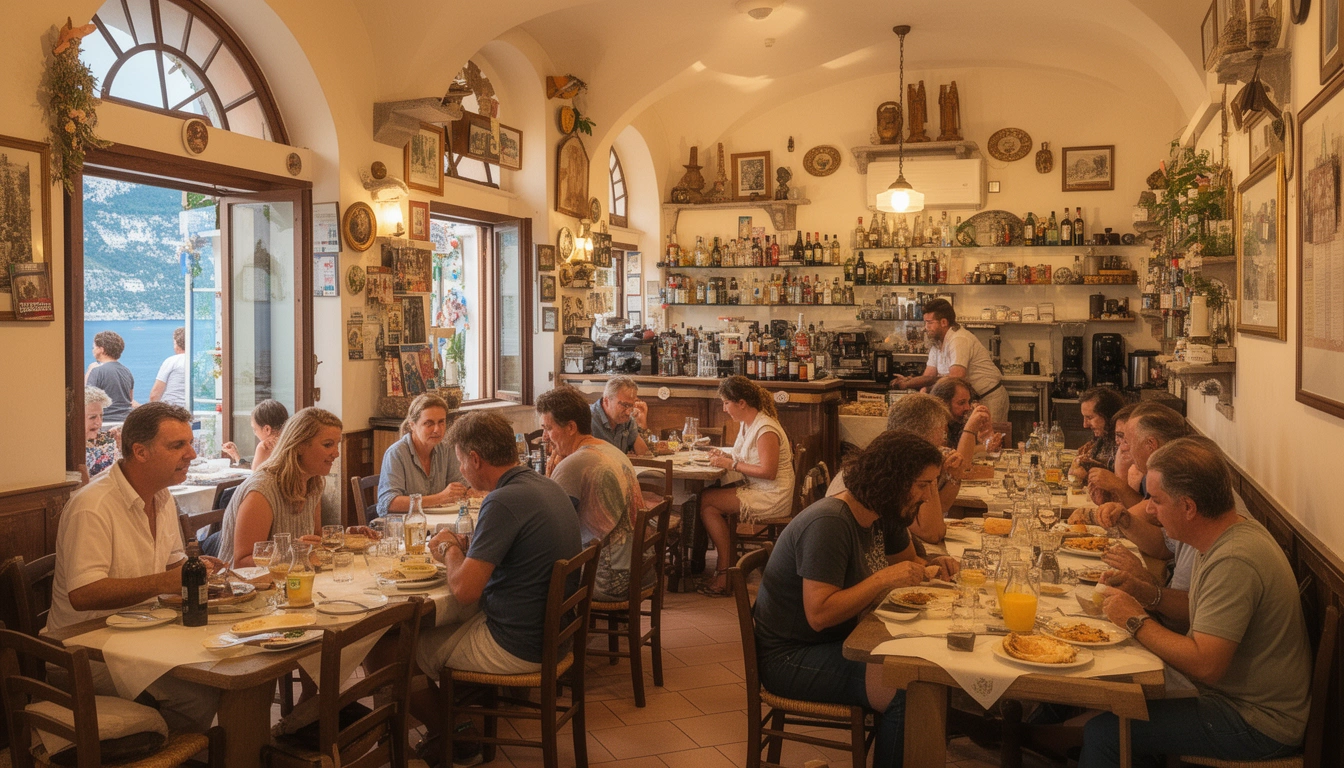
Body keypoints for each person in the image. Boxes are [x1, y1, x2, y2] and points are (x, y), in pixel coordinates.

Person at [1082, 436, 1311, 768]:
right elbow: (1199, 610)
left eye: (1156, 500)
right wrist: (1146, 594)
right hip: (1230, 699)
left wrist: (1135, 620)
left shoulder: (1236, 559)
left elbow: (1207, 665)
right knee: (1120, 696)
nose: (1148, 509)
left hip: (1256, 721)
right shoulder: (1222, 535)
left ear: (1188, 507)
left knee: (1105, 733)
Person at [754, 430, 958, 768]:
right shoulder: (830, 523)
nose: (926, 496)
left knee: (925, 670)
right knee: (906, 689)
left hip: (844, 640)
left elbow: (912, 565)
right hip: (790, 657)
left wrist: (937, 565)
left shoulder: (885, 513)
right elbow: (819, 614)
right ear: (894, 480)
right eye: (923, 485)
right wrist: (883, 579)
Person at [410, 411, 582, 756]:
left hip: (518, 645)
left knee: (397, 653)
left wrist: (447, 547)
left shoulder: (502, 500)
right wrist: (467, 550)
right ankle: (453, 722)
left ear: (475, 459)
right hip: (555, 636)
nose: (461, 470)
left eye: (461, 461)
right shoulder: (544, 484)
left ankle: (451, 736)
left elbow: (464, 591)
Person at [46, 402, 221, 731]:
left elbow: (174, 562)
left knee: (222, 663)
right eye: (177, 446)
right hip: (85, 650)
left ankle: (171, 744)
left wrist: (198, 567)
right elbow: (82, 595)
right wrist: (164, 582)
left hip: (141, 635)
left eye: (190, 443)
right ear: (140, 451)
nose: (192, 454)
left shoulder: (161, 496)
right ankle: (162, 750)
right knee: (200, 693)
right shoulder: (93, 506)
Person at [536, 385, 649, 601]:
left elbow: (548, 527)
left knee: (529, 582)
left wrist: (550, 480)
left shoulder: (574, 464)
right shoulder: (609, 449)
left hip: (610, 579)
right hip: (639, 569)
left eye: (548, 428)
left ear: (571, 427)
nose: (544, 437)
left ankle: (560, 633)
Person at [698, 376, 795, 596]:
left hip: (772, 495)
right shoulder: (748, 423)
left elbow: (768, 472)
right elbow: (745, 456)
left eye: (726, 403)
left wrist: (731, 463)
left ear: (742, 403)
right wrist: (724, 454)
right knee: (706, 497)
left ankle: (725, 572)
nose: (724, 409)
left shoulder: (766, 429)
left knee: (707, 502)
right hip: (759, 489)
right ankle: (728, 566)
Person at [827, 393, 962, 544]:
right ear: (921, 437)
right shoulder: (890, 475)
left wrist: (952, 476)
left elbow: (940, 510)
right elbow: (932, 533)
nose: (944, 440)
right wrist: (929, 474)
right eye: (942, 432)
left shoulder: (888, 462)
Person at [218, 407, 343, 567]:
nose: (336, 453)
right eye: (328, 445)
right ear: (299, 446)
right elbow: (242, 562)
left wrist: (343, 538)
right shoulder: (262, 490)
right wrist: (294, 553)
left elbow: (314, 540)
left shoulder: (314, 483)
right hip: (244, 586)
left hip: (291, 579)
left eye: (337, 445)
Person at [890, 298, 1007, 422]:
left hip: (988, 398)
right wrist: (912, 385)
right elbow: (929, 376)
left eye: (929, 323)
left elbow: (955, 379)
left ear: (944, 322)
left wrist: (919, 386)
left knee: (989, 439)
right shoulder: (936, 343)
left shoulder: (959, 339)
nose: (925, 328)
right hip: (970, 400)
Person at [376, 393, 467, 517]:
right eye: (428, 423)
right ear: (412, 425)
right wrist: (440, 498)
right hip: (405, 526)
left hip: (438, 523)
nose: (437, 429)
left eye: (441, 422)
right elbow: (389, 503)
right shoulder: (396, 453)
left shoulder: (446, 448)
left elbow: (461, 486)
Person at [929, 375, 1001, 465]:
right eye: (961, 403)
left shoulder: (957, 421)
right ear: (943, 403)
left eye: (968, 402)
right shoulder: (933, 427)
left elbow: (966, 451)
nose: (967, 407)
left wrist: (987, 439)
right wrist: (970, 429)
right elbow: (956, 464)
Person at [1067, 387, 1127, 484]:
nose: (1085, 425)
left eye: (1090, 417)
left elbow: (1119, 486)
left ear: (1108, 415)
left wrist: (1086, 476)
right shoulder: (1103, 438)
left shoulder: (1124, 445)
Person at [588, 375, 650, 455]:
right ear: (606, 401)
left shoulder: (627, 420)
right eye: (624, 405)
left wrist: (642, 426)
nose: (628, 412)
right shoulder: (588, 418)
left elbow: (644, 455)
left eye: (631, 405)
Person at [221, 399, 289, 469]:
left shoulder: (265, 446)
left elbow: (254, 477)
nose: (255, 434)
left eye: (255, 429)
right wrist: (236, 456)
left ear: (267, 429)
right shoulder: (292, 443)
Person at [85, 330, 136, 422]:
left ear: (101, 349)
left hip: (105, 421)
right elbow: (130, 399)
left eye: (94, 347)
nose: (93, 350)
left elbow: (87, 399)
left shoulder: (97, 371)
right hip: (125, 421)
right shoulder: (127, 371)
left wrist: (89, 371)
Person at [83, 385, 120, 482]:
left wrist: (122, 448)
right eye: (92, 417)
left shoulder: (108, 441)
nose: (99, 422)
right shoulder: (71, 451)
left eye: (101, 416)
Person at [149, 326, 188, 408]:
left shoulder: (172, 361)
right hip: (191, 411)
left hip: (171, 410)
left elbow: (155, 394)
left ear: (176, 343)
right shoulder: (195, 362)